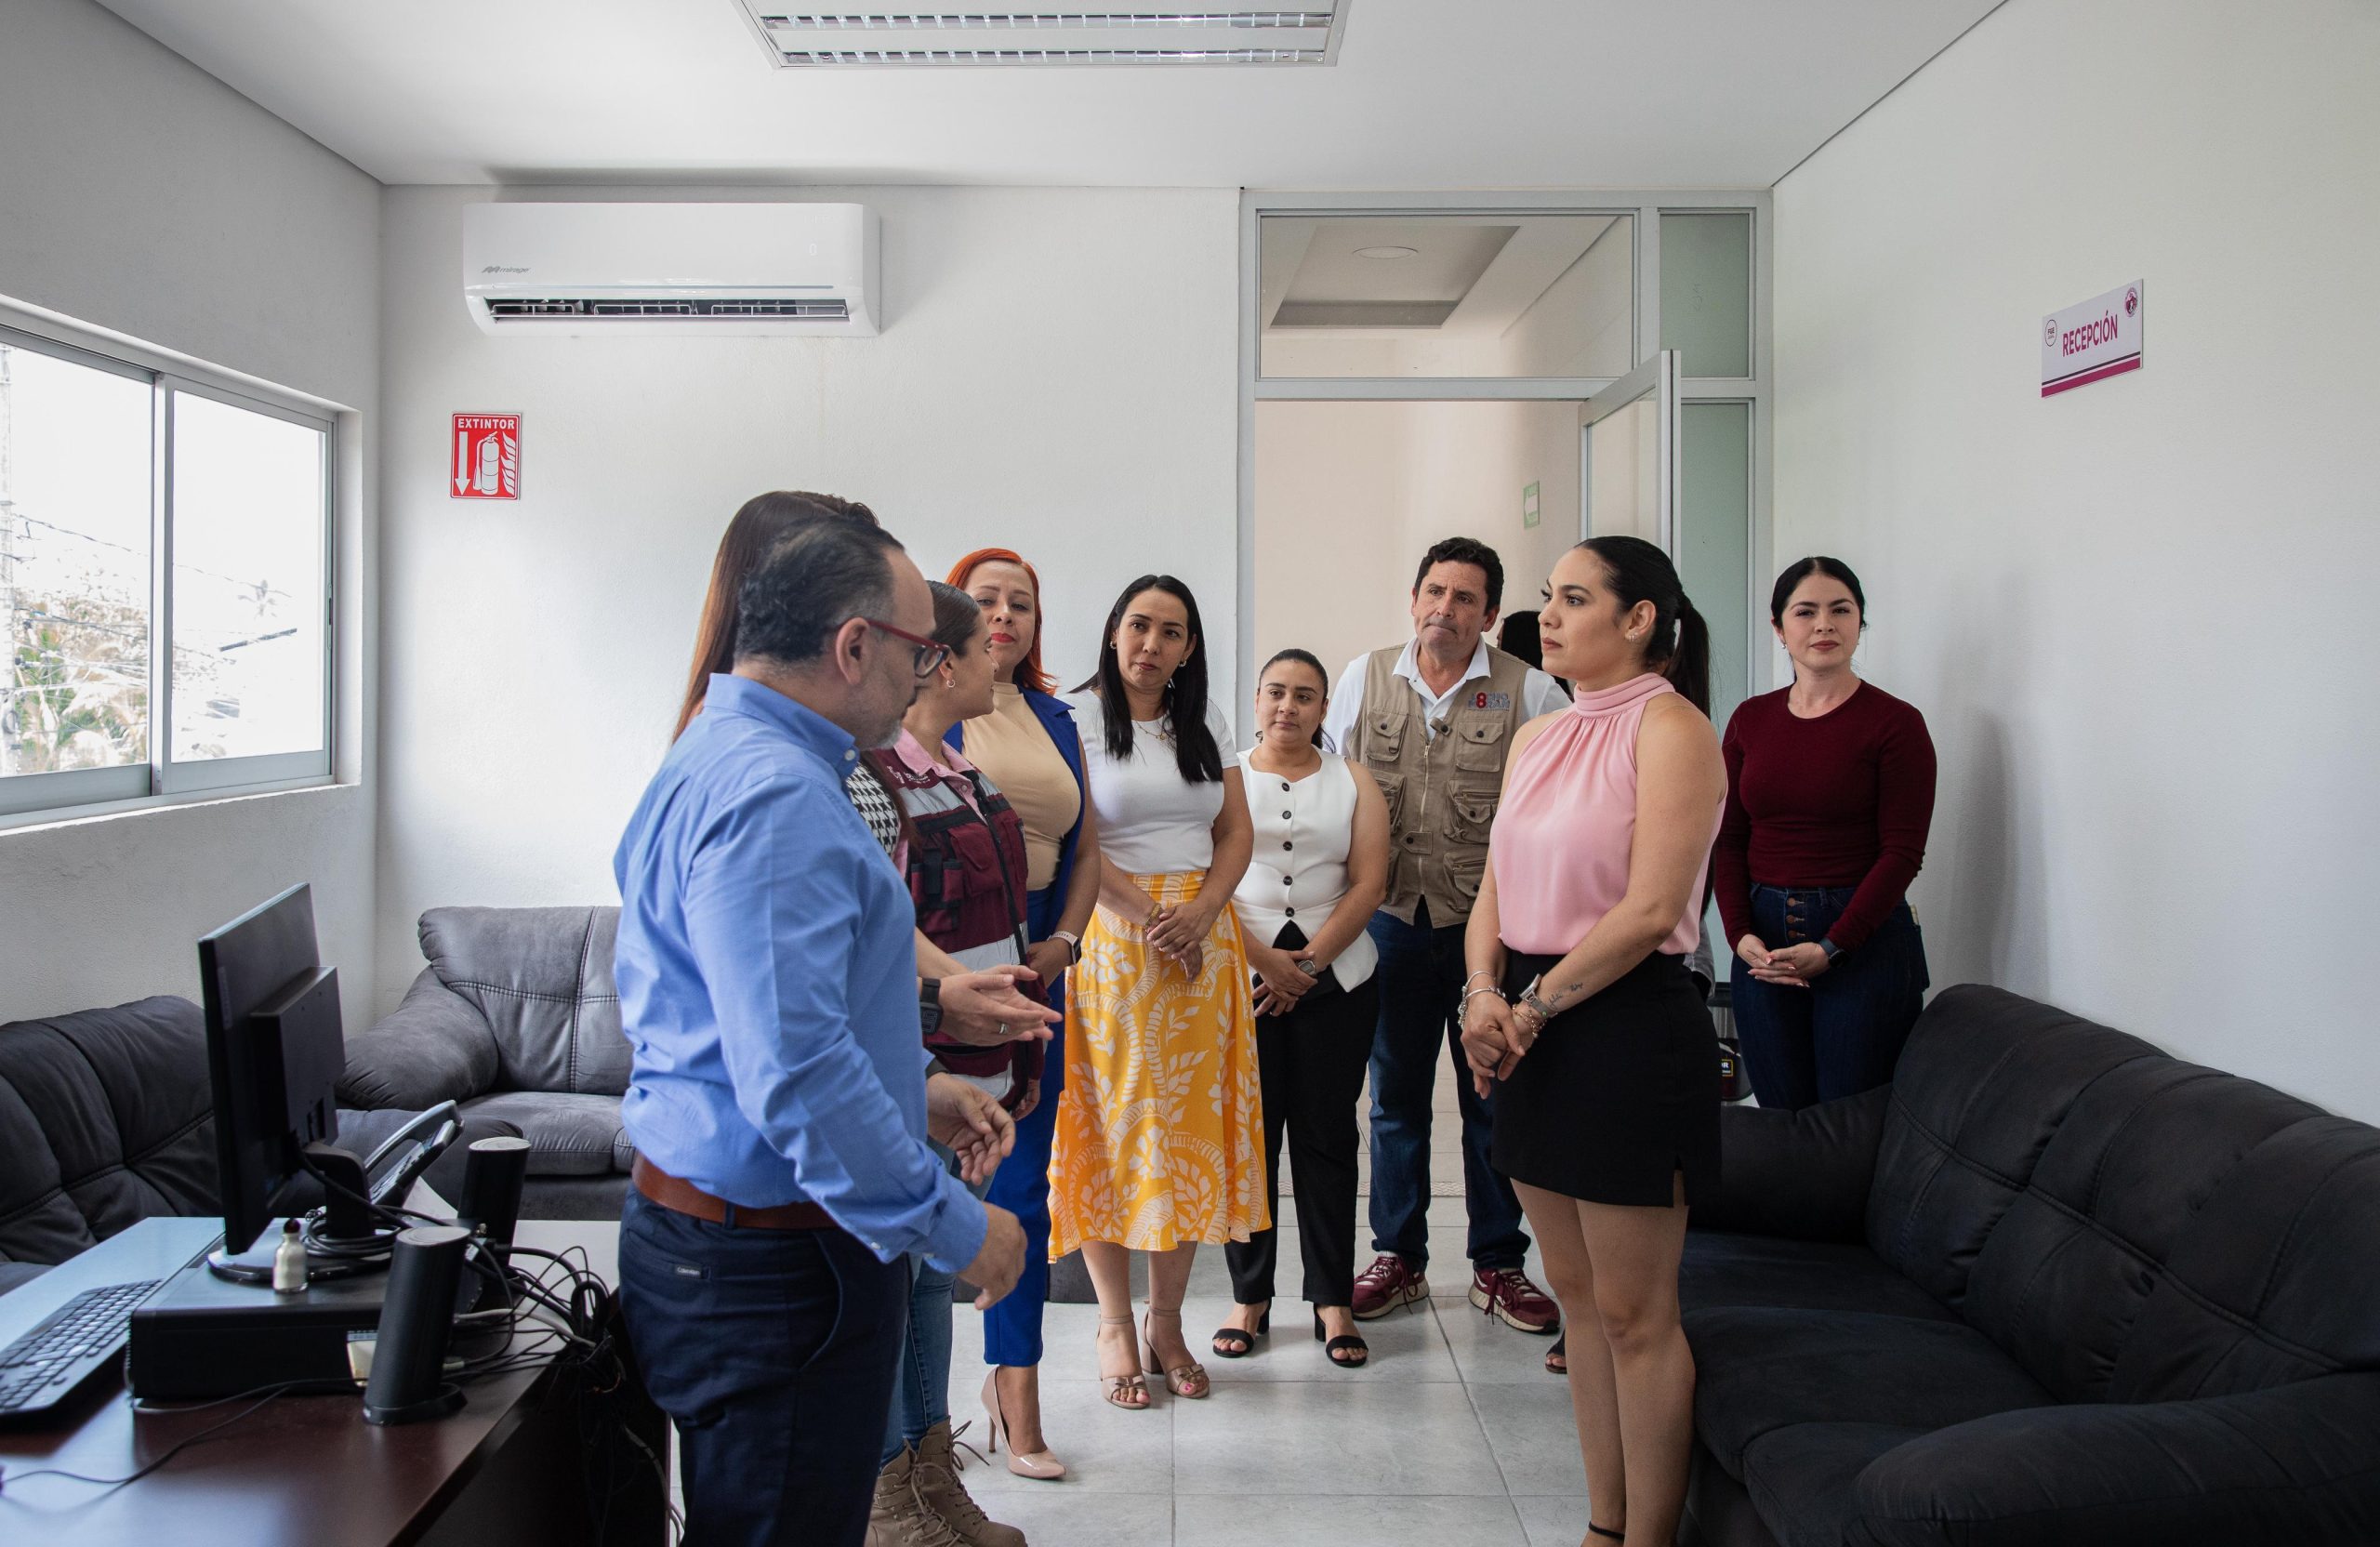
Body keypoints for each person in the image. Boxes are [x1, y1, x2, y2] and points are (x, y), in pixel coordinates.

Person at [613, 516, 1029, 1547]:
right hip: (771, 1265)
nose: (925, 675)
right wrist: (960, 1228)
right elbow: (796, 1072)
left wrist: (914, 1085)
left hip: (743, 1238)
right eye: (919, 651)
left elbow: (771, 1013)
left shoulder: (728, 749)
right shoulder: (777, 795)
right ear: (853, 646)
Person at [1459, 535, 1726, 1547]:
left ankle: (1647, 1537)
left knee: (1633, 1315)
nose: (1550, 617)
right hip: (1529, 1017)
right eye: (1549, 597)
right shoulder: (1539, 734)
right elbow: (1495, 885)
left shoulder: (1673, 728)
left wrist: (1530, 1010)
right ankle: (1603, 1526)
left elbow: (1652, 906)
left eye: (1574, 598)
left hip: (1625, 1025)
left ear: (1640, 618)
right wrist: (1483, 994)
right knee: (1578, 1303)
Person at [671, 493, 1061, 1047]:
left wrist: (937, 1039)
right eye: (910, 647)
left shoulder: (820, 755)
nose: (915, 673)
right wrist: (935, 1013)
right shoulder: (772, 780)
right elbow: (789, 1022)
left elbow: (866, 928)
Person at [1319, 536, 1569, 1334]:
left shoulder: (1532, 691)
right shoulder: (1364, 677)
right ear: (1413, 599)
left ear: (1490, 615)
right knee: (1394, 1098)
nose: (1445, 609)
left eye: (1465, 598)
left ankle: (1498, 1263)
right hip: (1389, 923)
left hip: (1486, 931)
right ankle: (1399, 1258)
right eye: (1434, 592)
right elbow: (1329, 784)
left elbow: (1559, 812)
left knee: (1492, 1095)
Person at [1046, 574, 1263, 1409]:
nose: (1152, 644)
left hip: (1203, 944)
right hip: (1113, 940)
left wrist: (1202, 912)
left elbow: (1234, 831)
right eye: (1140, 625)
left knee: (1187, 1134)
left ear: (1189, 648)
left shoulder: (1202, 720)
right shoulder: (1072, 720)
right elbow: (1079, 842)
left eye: (1172, 632)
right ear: (1114, 631)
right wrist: (1153, 919)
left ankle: (1165, 1323)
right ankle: (1112, 1322)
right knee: (1114, 1129)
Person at [867, 581, 1042, 1547]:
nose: (999, 653)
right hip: (920, 1059)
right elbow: (885, 930)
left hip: (972, 1058)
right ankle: (891, 1499)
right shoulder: (874, 774)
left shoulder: (960, 765)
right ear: (935, 661)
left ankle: (932, 1478)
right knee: (900, 1276)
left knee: (930, 1280)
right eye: (983, 643)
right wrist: (950, 1003)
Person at [945, 547, 1101, 1481]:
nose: (1004, 615)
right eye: (985, 599)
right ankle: (915, 1421)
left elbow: (1086, 847)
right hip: (955, 953)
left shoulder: (1055, 717)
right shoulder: (923, 710)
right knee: (935, 1184)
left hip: (1043, 955)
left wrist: (1066, 941)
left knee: (1021, 1185)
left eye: (1022, 603)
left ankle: (1018, 1394)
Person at [1213, 650, 1390, 1368]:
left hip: (1338, 979)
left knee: (1327, 1137)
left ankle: (1331, 1298)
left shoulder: (1355, 780)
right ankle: (1249, 1295)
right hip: (1241, 975)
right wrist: (1265, 961)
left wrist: (1308, 965)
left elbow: (1370, 883)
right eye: (1276, 692)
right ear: (1257, 700)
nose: (1289, 706)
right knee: (1249, 1139)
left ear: (1324, 709)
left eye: (1305, 696)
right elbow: (1205, 881)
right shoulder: (1222, 777)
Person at [1713, 557, 1937, 1109]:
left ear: (1860, 621)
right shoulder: (1750, 720)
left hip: (1864, 938)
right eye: (1805, 611)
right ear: (1778, 626)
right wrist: (1739, 935)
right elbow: (1728, 838)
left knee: (1851, 1122)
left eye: (1841, 610)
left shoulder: (1896, 723)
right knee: (1782, 1119)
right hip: (1762, 943)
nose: (1824, 625)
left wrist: (1834, 947)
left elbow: (1902, 853)